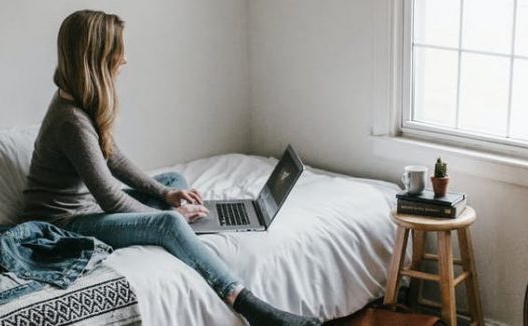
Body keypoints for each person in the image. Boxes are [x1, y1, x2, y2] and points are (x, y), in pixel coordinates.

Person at [19, 10, 320, 326]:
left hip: (86, 208)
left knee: (174, 181)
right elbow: (109, 198)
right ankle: (249, 305)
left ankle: (185, 233)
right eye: (118, 50)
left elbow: (114, 159)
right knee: (168, 224)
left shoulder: (81, 102)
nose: (125, 59)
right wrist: (170, 217)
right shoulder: (71, 122)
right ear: (98, 57)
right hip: (62, 224)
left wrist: (167, 192)